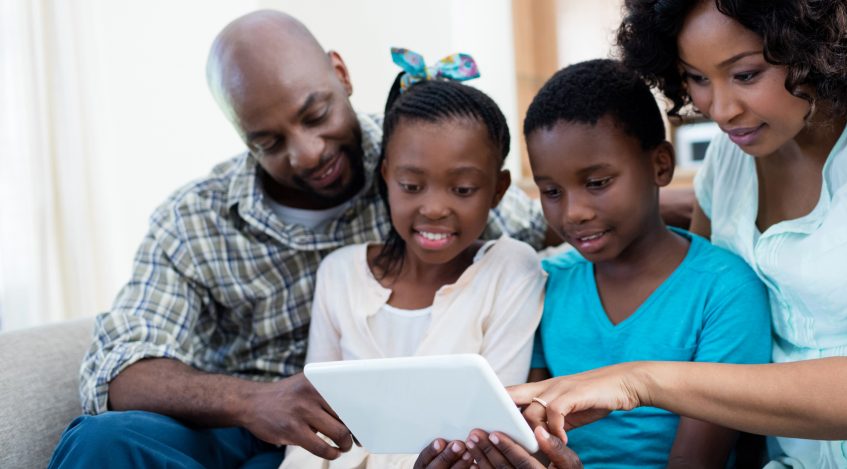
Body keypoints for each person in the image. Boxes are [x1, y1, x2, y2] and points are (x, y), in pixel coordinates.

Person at [506, 0, 847, 467]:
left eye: (746, 74)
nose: (720, 109)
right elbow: (691, 285)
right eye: (697, 79)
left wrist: (638, 380)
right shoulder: (729, 163)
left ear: (820, 44)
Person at [47, 11, 548, 468]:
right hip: (236, 428)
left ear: (341, 74)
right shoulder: (194, 219)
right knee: (102, 441)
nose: (307, 154)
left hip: (351, 444)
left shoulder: (423, 156)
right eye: (269, 142)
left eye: (316, 115)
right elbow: (114, 369)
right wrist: (252, 402)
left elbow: (554, 228)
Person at [417, 59, 772, 468]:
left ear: (660, 165)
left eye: (597, 183)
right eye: (551, 190)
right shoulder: (548, 282)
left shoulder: (725, 290)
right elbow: (528, 436)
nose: (573, 213)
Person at [278, 52, 546, 469]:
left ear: (498, 190)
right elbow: (313, 429)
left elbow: (493, 432)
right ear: (386, 176)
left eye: (462, 189)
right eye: (411, 185)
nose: (435, 208)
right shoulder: (340, 274)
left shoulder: (512, 270)